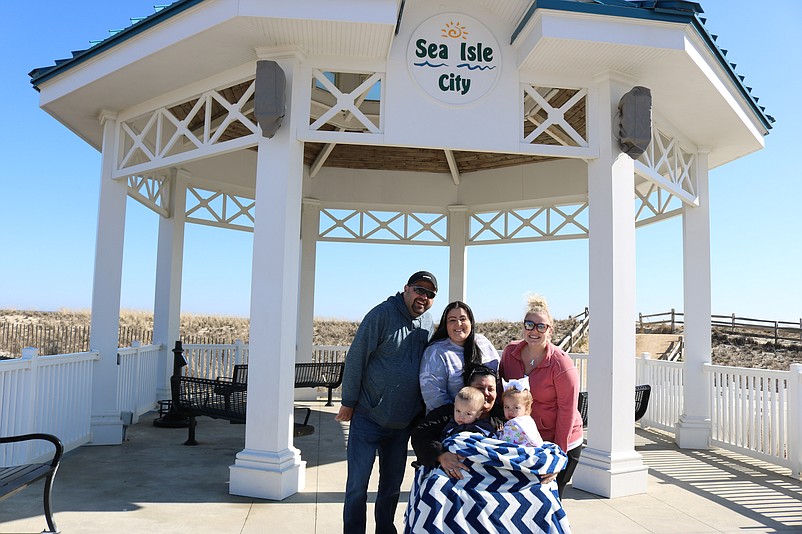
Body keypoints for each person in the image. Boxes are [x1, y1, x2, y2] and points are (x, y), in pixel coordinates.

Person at [336, 271, 438, 534]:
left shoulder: (428, 321)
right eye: (418, 290)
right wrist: (348, 401)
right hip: (368, 418)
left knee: (391, 487)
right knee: (357, 487)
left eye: (429, 294)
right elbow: (356, 358)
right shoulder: (381, 314)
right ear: (405, 289)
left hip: (403, 423)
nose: (423, 297)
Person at [499, 293, 584, 499]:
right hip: (524, 443)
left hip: (559, 442)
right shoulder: (510, 353)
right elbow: (502, 395)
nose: (534, 330)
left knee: (550, 502)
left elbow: (567, 412)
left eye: (541, 326)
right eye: (529, 324)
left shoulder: (561, 364)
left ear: (550, 331)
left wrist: (557, 457)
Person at [411, 365, 505, 480]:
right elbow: (420, 435)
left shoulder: (504, 417)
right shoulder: (447, 413)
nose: (486, 393)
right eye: (480, 388)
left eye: (491, 389)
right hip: (447, 477)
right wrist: (440, 456)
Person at [419, 301, 499, 414]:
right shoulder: (436, 351)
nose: (458, 324)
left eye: (463, 319)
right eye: (452, 320)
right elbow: (434, 398)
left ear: (471, 321)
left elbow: (498, 379)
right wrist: (463, 416)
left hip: (487, 418)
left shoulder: (483, 343)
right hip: (450, 420)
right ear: (445, 325)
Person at [499, 376, 543, 447]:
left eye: (516, 407)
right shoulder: (528, 421)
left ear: (526, 408)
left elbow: (504, 443)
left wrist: (499, 433)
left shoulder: (513, 424)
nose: (510, 411)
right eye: (506, 407)